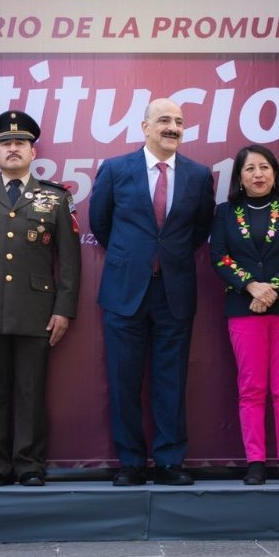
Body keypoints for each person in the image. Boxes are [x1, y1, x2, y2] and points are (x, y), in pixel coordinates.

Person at [0, 111, 81, 487]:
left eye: (20, 143)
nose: (12, 149)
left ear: (33, 151)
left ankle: (29, 466)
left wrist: (64, 310)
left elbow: (70, 263)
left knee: (31, 392)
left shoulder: (56, 198)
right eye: (5, 144)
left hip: (37, 311)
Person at [89, 96, 214, 486]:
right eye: (163, 120)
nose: (172, 127)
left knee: (170, 380)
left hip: (174, 291)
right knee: (124, 380)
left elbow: (199, 230)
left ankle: (169, 462)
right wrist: (136, 259)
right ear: (144, 127)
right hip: (125, 291)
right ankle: (130, 462)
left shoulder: (198, 175)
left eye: (178, 121)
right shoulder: (115, 169)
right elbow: (101, 223)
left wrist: (166, 260)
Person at [209, 144, 279, 486]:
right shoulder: (225, 212)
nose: (258, 174)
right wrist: (252, 287)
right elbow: (220, 257)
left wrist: (273, 291)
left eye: (264, 168)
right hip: (244, 307)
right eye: (250, 169)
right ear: (240, 176)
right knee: (251, 387)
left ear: (275, 172)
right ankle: (255, 462)